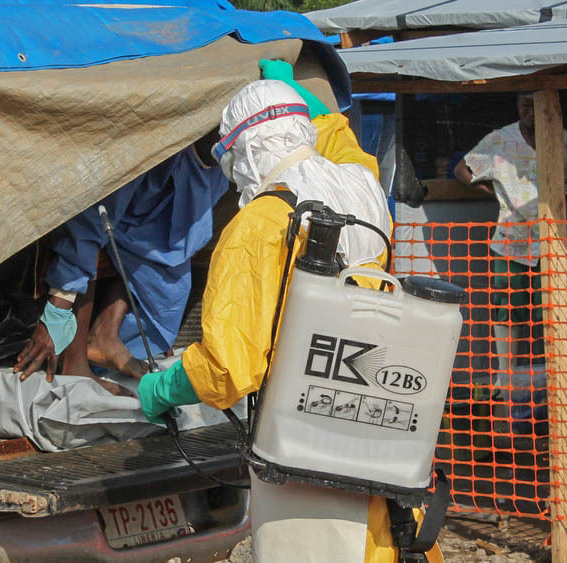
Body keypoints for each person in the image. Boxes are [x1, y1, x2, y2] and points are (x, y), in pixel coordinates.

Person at [137, 78, 440, 562]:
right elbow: (348, 150)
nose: (233, 175)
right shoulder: (363, 191)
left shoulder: (258, 224)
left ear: (250, 149)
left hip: (300, 451)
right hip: (378, 432)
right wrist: (306, 93)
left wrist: (165, 386)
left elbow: (229, 366)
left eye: (231, 159)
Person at [12, 134, 227, 390]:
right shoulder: (153, 148)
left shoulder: (222, 170)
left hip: (137, 237)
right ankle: (75, 364)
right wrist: (57, 313)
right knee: (95, 241)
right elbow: (87, 223)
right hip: (85, 226)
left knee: (165, 270)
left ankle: (105, 335)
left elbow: (165, 241)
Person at [453, 92, 567, 426]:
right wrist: (494, 193)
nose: (532, 111)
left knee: (557, 315)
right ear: (517, 107)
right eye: (524, 105)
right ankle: (506, 388)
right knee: (508, 316)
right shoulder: (500, 140)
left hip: (554, 243)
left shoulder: (565, 141)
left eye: (538, 104)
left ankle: (559, 390)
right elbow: (463, 169)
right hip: (512, 243)